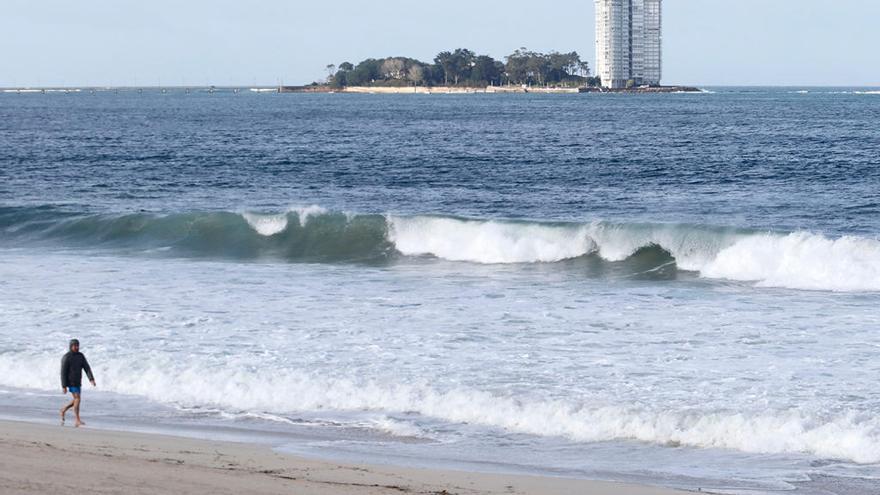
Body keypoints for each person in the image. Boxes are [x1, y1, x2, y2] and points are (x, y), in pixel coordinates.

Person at [60, 339, 96, 427]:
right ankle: (77, 420)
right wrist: (64, 386)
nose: (77, 347)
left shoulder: (80, 356)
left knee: (76, 400)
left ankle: (63, 409)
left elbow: (86, 368)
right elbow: (63, 372)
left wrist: (91, 379)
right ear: (71, 346)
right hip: (70, 382)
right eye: (75, 346)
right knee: (78, 399)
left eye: (78, 345)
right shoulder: (66, 357)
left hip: (78, 381)